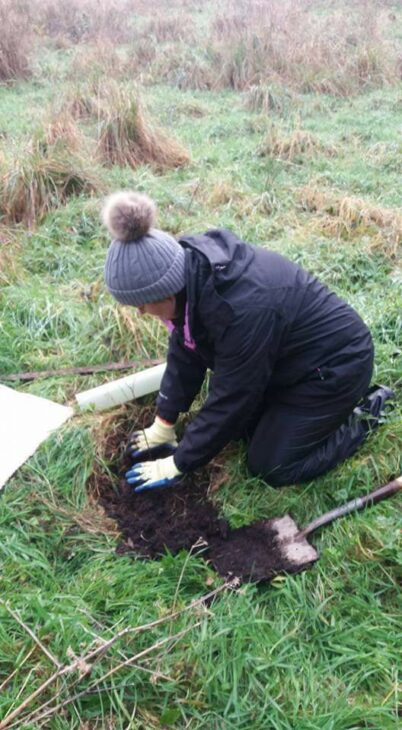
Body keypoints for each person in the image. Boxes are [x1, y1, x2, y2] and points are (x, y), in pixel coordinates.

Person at [102, 190, 394, 493]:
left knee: (271, 464)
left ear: (166, 291)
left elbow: (234, 394)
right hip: (285, 360)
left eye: (142, 304)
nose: (140, 312)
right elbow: (187, 346)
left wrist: (179, 462)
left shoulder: (241, 310)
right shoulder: (189, 275)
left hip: (333, 367)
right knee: (241, 430)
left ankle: (368, 412)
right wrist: (164, 422)